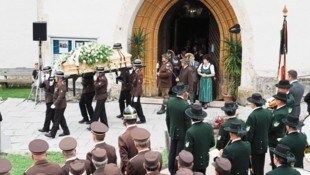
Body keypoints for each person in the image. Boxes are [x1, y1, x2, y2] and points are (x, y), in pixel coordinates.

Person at [166, 82, 192, 174]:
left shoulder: (170, 102)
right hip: (182, 133)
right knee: (179, 153)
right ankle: (177, 170)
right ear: (184, 93)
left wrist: (170, 131)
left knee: (172, 151)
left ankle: (171, 169)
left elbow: (167, 119)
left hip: (173, 131)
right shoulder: (185, 105)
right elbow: (188, 123)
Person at [245, 93, 272, 175]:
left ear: (253, 103)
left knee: (254, 169)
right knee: (261, 167)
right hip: (264, 144)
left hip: (254, 146)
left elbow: (249, 134)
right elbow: (270, 128)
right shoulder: (267, 112)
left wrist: (247, 146)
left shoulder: (252, 116)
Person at [184, 104, 215, 174]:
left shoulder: (190, 131)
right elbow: (212, 143)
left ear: (191, 117)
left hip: (194, 163)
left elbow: (188, 151)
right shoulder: (208, 127)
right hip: (204, 160)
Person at [45, 70, 70, 138]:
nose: (55, 78)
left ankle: (52, 134)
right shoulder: (57, 83)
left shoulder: (62, 85)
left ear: (59, 77)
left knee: (56, 119)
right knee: (61, 118)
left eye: (56, 77)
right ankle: (66, 131)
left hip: (60, 105)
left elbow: (60, 97)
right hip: (59, 105)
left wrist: (54, 104)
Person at [269, 91, 289, 169]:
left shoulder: (280, 113)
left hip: (274, 138)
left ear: (280, 101)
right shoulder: (283, 109)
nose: (275, 100)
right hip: (279, 135)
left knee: (275, 162)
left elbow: (274, 127)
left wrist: (265, 131)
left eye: (276, 99)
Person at [118, 105, 139, 173]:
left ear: (124, 121)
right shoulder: (144, 133)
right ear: (136, 119)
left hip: (130, 170)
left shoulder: (122, 137)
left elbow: (124, 159)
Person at [38, 66, 55, 133]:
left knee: (48, 114)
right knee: (52, 113)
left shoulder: (51, 78)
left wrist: (47, 80)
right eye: (44, 72)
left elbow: (49, 88)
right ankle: (56, 126)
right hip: (48, 97)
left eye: (45, 72)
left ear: (49, 72)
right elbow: (40, 86)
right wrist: (42, 80)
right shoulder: (46, 78)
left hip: (51, 98)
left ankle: (46, 128)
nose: (44, 73)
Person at [131, 59, 146, 124]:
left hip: (136, 93)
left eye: (134, 65)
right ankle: (142, 119)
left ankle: (131, 120)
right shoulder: (136, 72)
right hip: (135, 92)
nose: (133, 66)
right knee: (138, 106)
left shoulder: (139, 74)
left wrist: (136, 96)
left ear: (137, 66)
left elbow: (138, 86)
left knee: (133, 107)